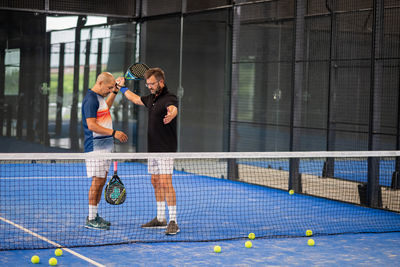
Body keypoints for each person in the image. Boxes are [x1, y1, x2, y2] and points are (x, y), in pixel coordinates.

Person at [117, 67, 179, 235]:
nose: (149, 87)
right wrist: (122, 88)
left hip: (165, 149)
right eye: (147, 84)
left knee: (166, 183)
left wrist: (171, 114)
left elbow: (173, 108)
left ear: (161, 82)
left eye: (152, 84)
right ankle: (160, 218)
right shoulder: (151, 98)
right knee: (155, 181)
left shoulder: (169, 97)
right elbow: (136, 99)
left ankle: (173, 221)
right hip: (152, 149)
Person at [82, 72, 128, 230]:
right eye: (108, 87)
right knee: (97, 182)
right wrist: (114, 133)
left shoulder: (99, 98)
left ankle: (95, 215)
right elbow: (92, 125)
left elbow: (105, 108)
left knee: (101, 181)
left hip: (105, 147)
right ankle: (91, 218)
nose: (109, 90)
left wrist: (115, 91)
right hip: (96, 148)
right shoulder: (90, 99)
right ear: (100, 83)